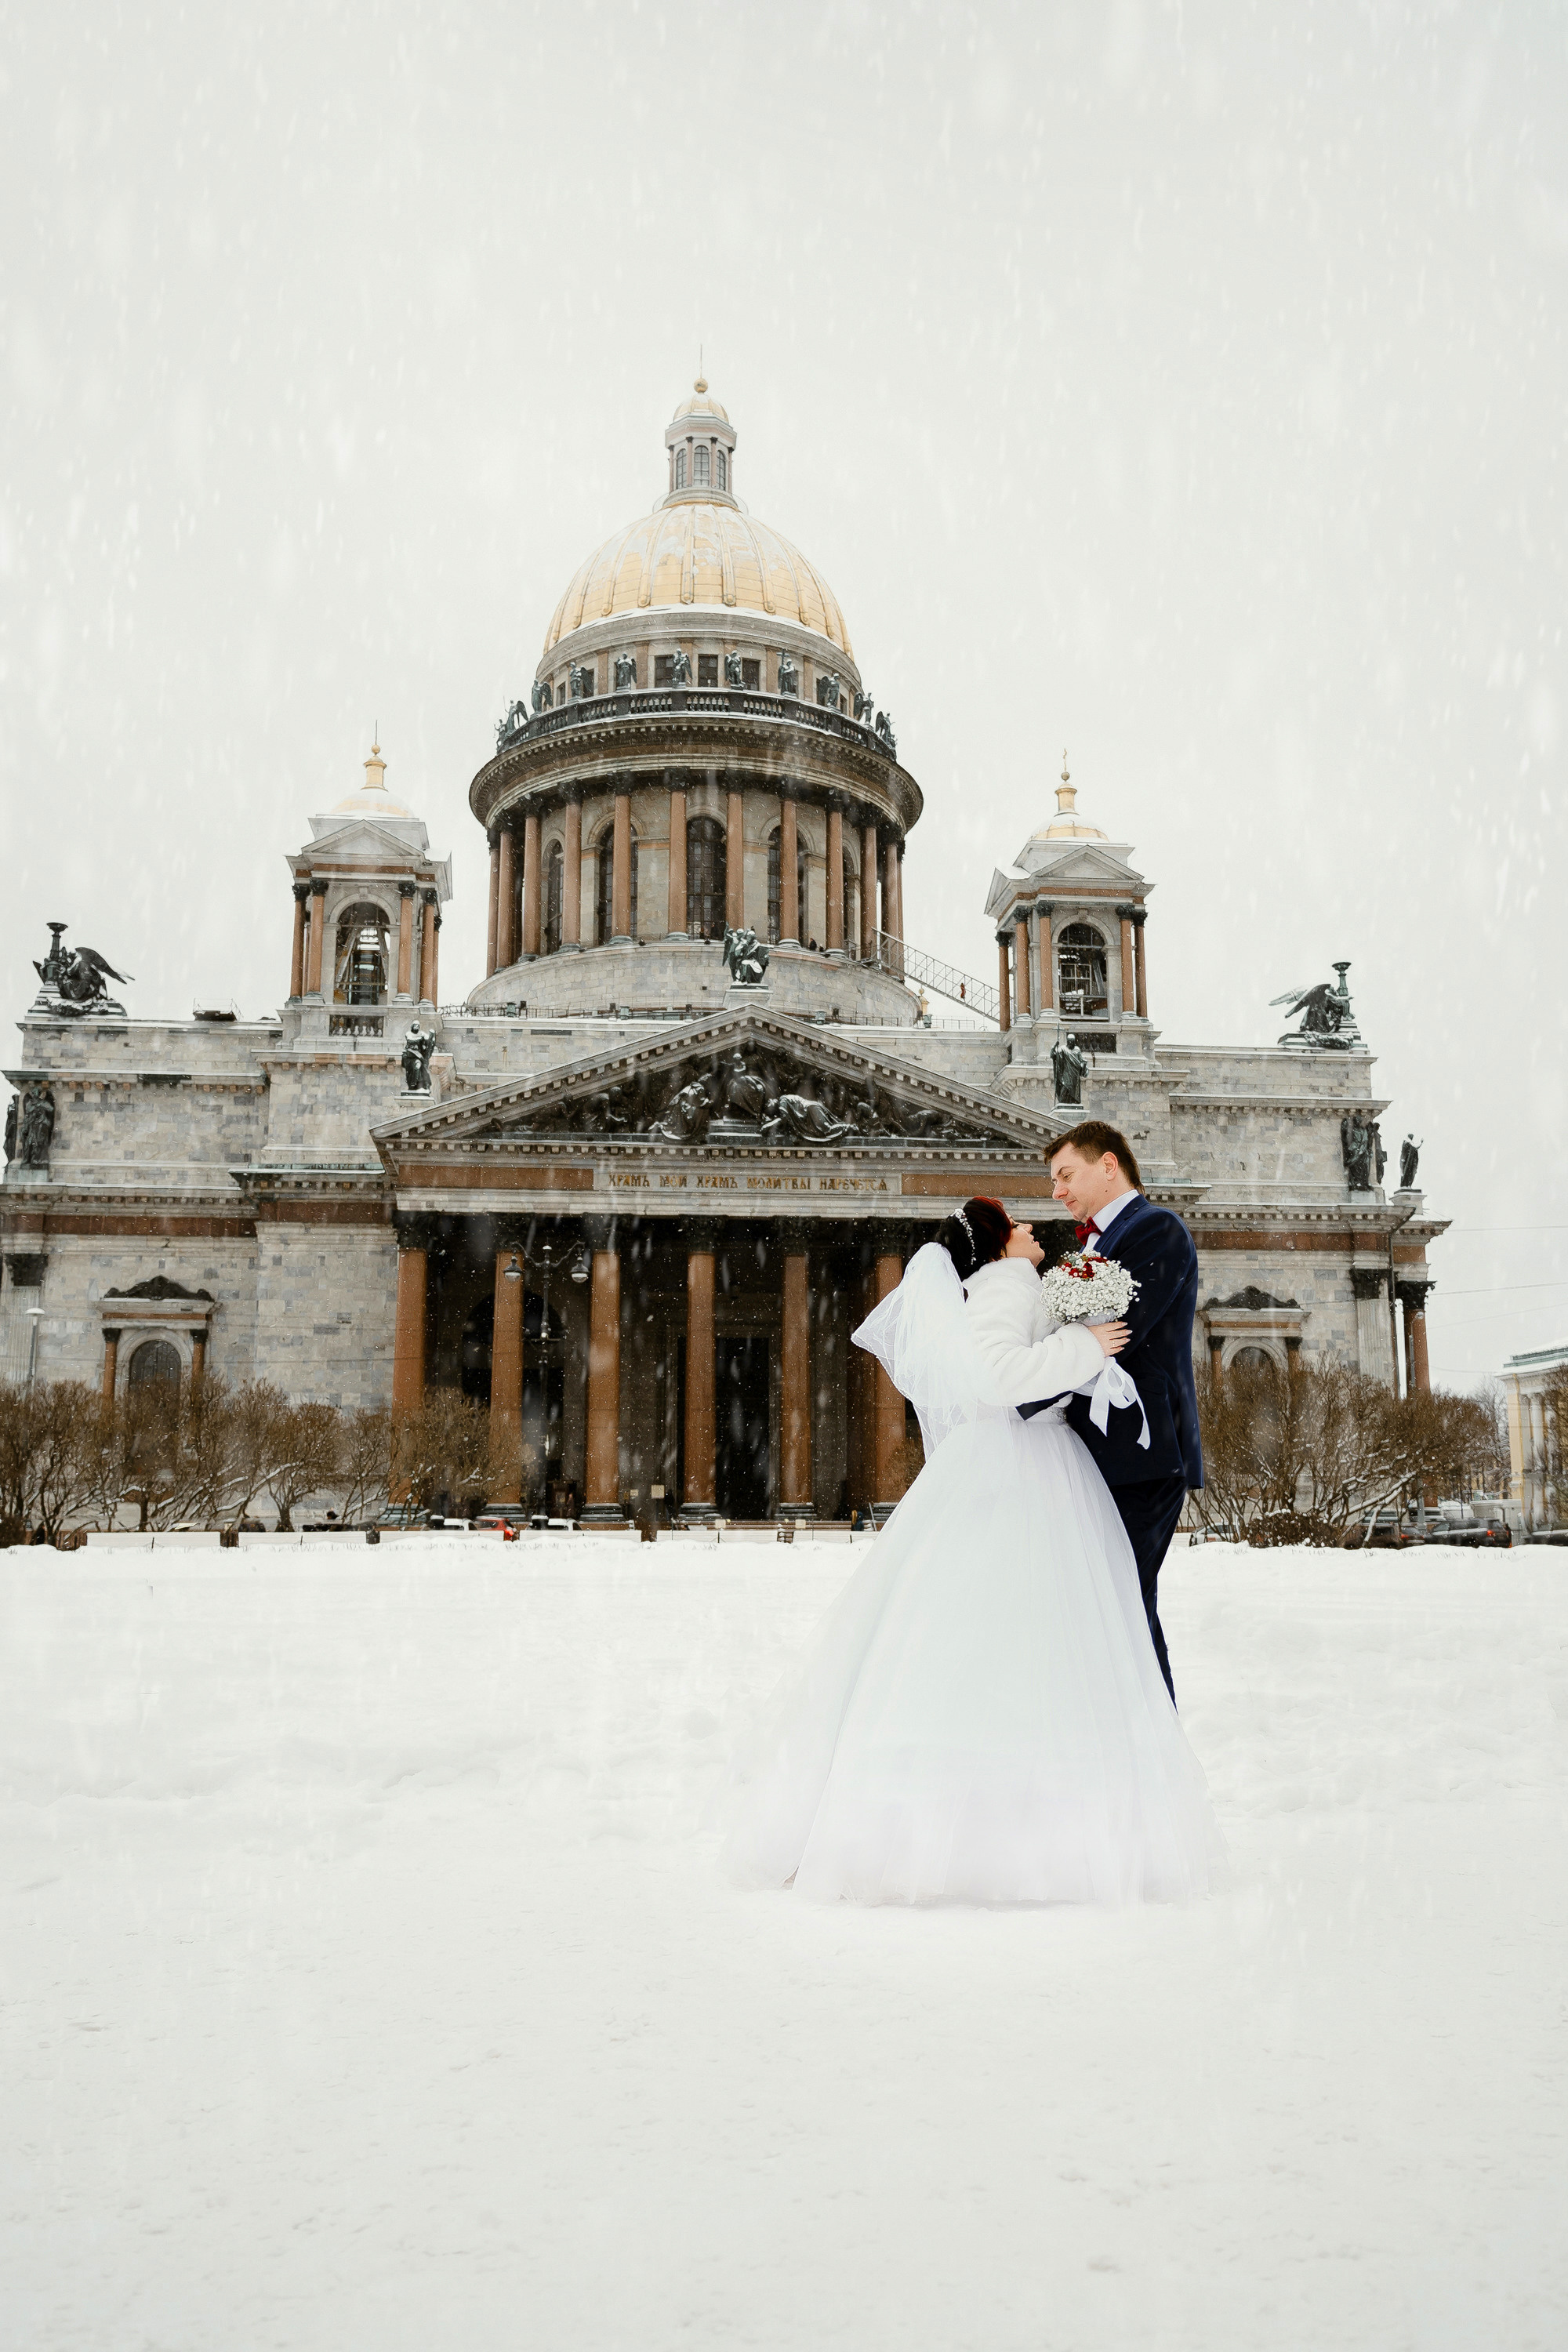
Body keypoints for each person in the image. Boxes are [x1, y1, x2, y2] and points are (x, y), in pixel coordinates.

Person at [721, 1196, 1225, 1907]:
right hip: (1024, 1469)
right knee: (1040, 1640)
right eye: (1016, 1227)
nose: (1031, 1230)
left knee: (1003, 1640)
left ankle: (987, 1824)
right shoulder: (1005, 1285)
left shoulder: (1006, 1285)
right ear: (993, 1248)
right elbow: (995, 1382)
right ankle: (1031, 1833)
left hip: (1027, 1464)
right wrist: (1086, 1347)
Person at [1027, 1121, 1201, 1703]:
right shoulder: (1096, 1243)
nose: (1057, 1191)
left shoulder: (1156, 1229)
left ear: (1108, 1165)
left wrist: (1018, 1387)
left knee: (1124, 1600)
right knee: (1108, 1604)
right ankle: (1132, 1737)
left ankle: (1157, 1741)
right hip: (1107, 1456)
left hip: (1143, 1457)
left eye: (1065, 1175)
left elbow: (1117, 1331)